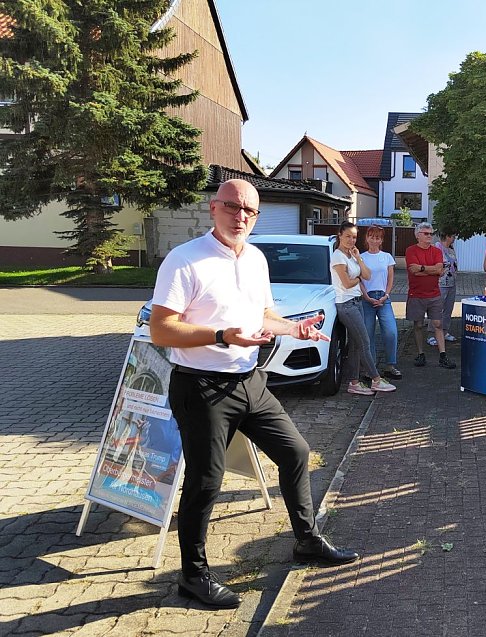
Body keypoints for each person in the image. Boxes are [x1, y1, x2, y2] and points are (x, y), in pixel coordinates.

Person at [150, 179, 359, 609]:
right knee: (206, 481)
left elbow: (264, 314)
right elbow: (161, 329)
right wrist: (222, 335)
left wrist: (292, 328)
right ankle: (193, 576)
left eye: (250, 211)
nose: (241, 216)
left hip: (249, 381)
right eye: (233, 207)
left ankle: (305, 540)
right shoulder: (184, 260)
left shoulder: (257, 259)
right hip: (201, 384)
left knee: (296, 452)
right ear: (214, 208)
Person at [331, 221, 397, 395]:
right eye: (348, 236)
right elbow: (346, 284)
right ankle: (376, 379)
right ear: (340, 236)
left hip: (356, 301)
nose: (351, 240)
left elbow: (368, 274)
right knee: (365, 341)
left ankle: (354, 382)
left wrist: (358, 259)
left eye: (354, 237)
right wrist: (359, 279)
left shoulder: (352, 255)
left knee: (355, 344)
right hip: (346, 304)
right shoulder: (338, 256)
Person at [406, 222, 456, 369]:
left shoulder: (436, 251)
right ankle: (421, 354)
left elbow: (439, 270)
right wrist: (431, 269)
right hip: (416, 294)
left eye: (431, 233)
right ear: (417, 235)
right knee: (418, 324)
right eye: (426, 233)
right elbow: (413, 271)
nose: (429, 236)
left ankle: (443, 355)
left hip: (434, 293)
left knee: (438, 324)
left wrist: (422, 268)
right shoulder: (411, 250)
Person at [359, 225, 401, 380]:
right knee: (367, 335)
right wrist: (366, 297)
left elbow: (390, 278)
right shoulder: (361, 257)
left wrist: (386, 295)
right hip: (367, 299)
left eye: (377, 237)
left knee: (391, 331)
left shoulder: (387, 257)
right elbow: (359, 280)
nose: (374, 240)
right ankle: (371, 368)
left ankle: (390, 365)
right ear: (366, 238)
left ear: (381, 240)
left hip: (384, 298)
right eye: (371, 236)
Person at [428, 229, 458, 346]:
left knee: (448, 310)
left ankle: (445, 332)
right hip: (440, 283)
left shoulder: (451, 249)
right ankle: (432, 334)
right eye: (453, 235)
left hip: (452, 283)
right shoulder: (437, 247)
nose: (454, 238)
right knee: (436, 310)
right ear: (447, 235)